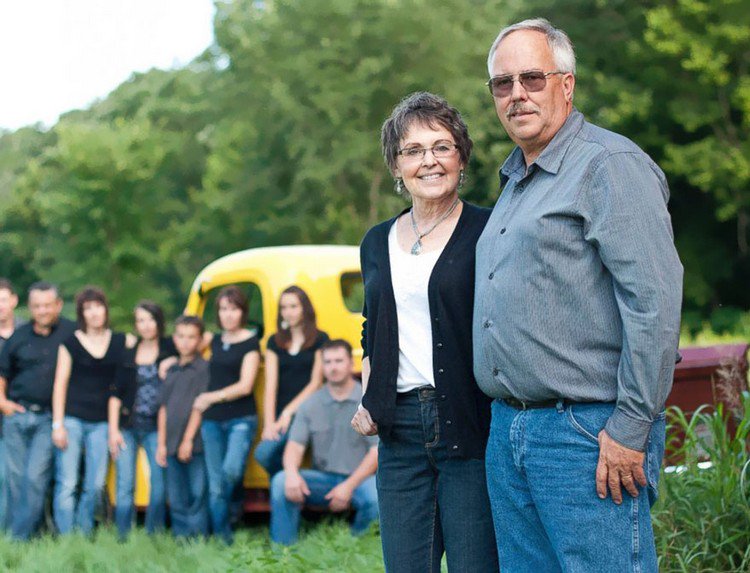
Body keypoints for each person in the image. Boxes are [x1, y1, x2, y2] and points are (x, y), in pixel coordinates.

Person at [474, 18, 683, 572]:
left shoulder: (609, 166)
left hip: (587, 433)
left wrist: (630, 427)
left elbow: (654, 305)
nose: (516, 94)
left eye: (531, 78)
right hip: (510, 431)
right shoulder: (516, 179)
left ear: (566, 84)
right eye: (502, 83)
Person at [351, 92, 498, 572]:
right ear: (397, 166)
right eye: (413, 151)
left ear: (462, 157)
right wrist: (371, 396)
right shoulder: (376, 242)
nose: (428, 161)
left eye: (441, 147)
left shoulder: (491, 230)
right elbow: (373, 330)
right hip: (400, 433)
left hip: (472, 426)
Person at [270, 339, 378, 545]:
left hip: (360, 480)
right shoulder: (310, 403)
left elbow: (376, 453)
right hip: (323, 480)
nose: (333, 367)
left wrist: (348, 486)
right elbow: (294, 447)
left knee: (376, 497)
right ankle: (284, 552)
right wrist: (292, 474)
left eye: (339, 361)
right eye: (328, 362)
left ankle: (354, 546)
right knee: (281, 481)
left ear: (351, 363)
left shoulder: (367, 401)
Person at [0, 282, 75, 540]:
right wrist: (2, 402)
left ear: (58, 305)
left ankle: (19, 538)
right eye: (36, 306)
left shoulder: (71, 333)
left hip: (47, 418)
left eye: (47, 305)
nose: (42, 311)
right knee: (13, 479)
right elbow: (2, 373)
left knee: (34, 478)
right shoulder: (19, 337)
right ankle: (12, 535)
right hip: (16, 416)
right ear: (30, 307)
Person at [51, 286, 127, 535]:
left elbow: (152, 345)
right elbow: (60, 384)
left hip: (102, 423)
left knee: (95, 484)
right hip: (72, 419)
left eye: (98, 306)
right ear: (82, 313)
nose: (94, 313)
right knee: (67, 482)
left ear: (106, 309)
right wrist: (58, 424)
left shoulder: (120, 341)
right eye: (88, 308)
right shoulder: (70, 343)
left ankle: (83, 533)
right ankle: (66, 536)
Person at [192, 286, 260, 544]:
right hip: (212, 421)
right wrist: (168, 362)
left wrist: (210, 397)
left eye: (233, 309)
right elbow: (185, 351)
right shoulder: (212, 340)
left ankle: (234, 510)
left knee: (231, 471)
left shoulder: (251, 342)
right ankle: (223, 539)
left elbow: (245, 386)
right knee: (216, 483)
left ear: (242, 312)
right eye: (223, 309)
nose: (228, 314)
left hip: (241, 418)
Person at [109, 301, 175, 539]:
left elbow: (202, 338)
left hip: (157, 427)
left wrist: (173, 361)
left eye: (150, 319)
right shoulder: (129, 351)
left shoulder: (170, 348)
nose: (146, 325)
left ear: (159, 321)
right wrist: (113, 431)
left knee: (159, 483)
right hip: (127, 425)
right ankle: (122, 536)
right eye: (140, 320)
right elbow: (115, 394)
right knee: (125, 483)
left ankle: (153, 534)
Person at [254, 285, 328, 478]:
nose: (288, 312)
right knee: (264, 453)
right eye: (284, 307)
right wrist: (269, 423)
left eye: (294, 306)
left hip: (308, 412)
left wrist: (288, 412)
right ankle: (289, 484)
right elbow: (271, 385)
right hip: (280, 416)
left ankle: (292, 485)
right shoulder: (274, 341)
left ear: (305, 308)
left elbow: (316, 383)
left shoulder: (320, 339)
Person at [155, 315, 209, 539]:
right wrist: (161, 443)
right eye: (181, 336)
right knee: (176, 495)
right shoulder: (171, 369)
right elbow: (163, 408)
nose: (185, 342)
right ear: (174, 339)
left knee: (197, 492)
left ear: (200, 340)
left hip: (194, 443)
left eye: (191, 337)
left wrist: (188, 440)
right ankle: (181, 539)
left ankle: (198, 539)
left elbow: (199, 407)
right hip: (170, 442)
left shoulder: (203, 369)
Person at [0, 278, 20, 531]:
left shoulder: (26, 332)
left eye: (3, 299)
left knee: (12, 476)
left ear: (14, 300)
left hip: (20, 414)